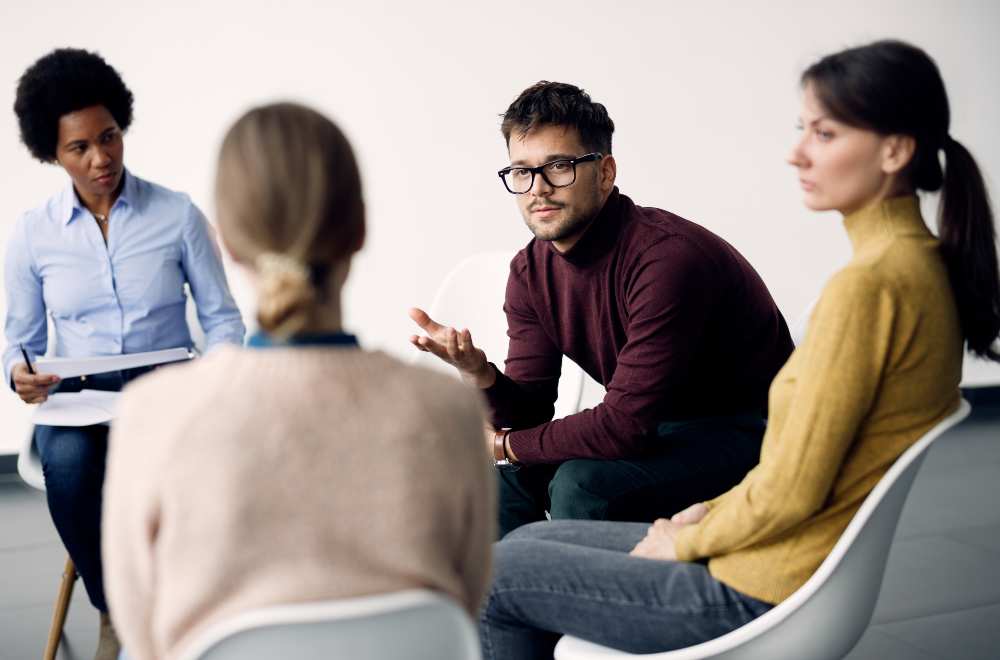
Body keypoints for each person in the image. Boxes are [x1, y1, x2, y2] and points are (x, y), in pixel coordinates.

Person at [477, 40, 1000, 659]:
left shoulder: (870, 291)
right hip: (758, 546)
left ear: (894, 150)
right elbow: (796, 473)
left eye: (825, 134)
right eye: (803, 128)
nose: (796, 152)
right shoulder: (911, 267)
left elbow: (792, 491)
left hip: (758, 582)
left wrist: (690, 538)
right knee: (513, 553)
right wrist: (701, 519)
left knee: (497, 578)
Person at [101, 102, 496, 660]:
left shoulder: (152, 415)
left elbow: (141, 638)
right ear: (359, 231)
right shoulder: (449, 411)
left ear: (229, 245)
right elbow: (466, 602)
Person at [410, 81, 793, 537]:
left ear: (605, 172)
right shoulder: (530, 271)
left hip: (751, 433)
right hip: (656, 431)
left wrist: (501, 444)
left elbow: (623, 426)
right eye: (521, 171)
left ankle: (587, 604)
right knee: (502, 479)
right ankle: (510, 606)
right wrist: (480, 375)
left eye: (558, 166)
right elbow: (532, 411)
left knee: (583, 485)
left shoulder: (667, 259)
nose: (538, 189)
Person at [3, 48, 245, 659]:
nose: (101, 157)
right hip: (79, 399)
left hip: (166, 390)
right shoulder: (34, 234)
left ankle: (198, 602)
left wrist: (215, 379)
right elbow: (18, 339)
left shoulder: (177, 215)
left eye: (108, 137)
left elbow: (221, 320)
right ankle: (116, 607)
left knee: (210, 461)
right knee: (69, 461)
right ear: (51, 154)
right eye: (78, 148)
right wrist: (19, 374)